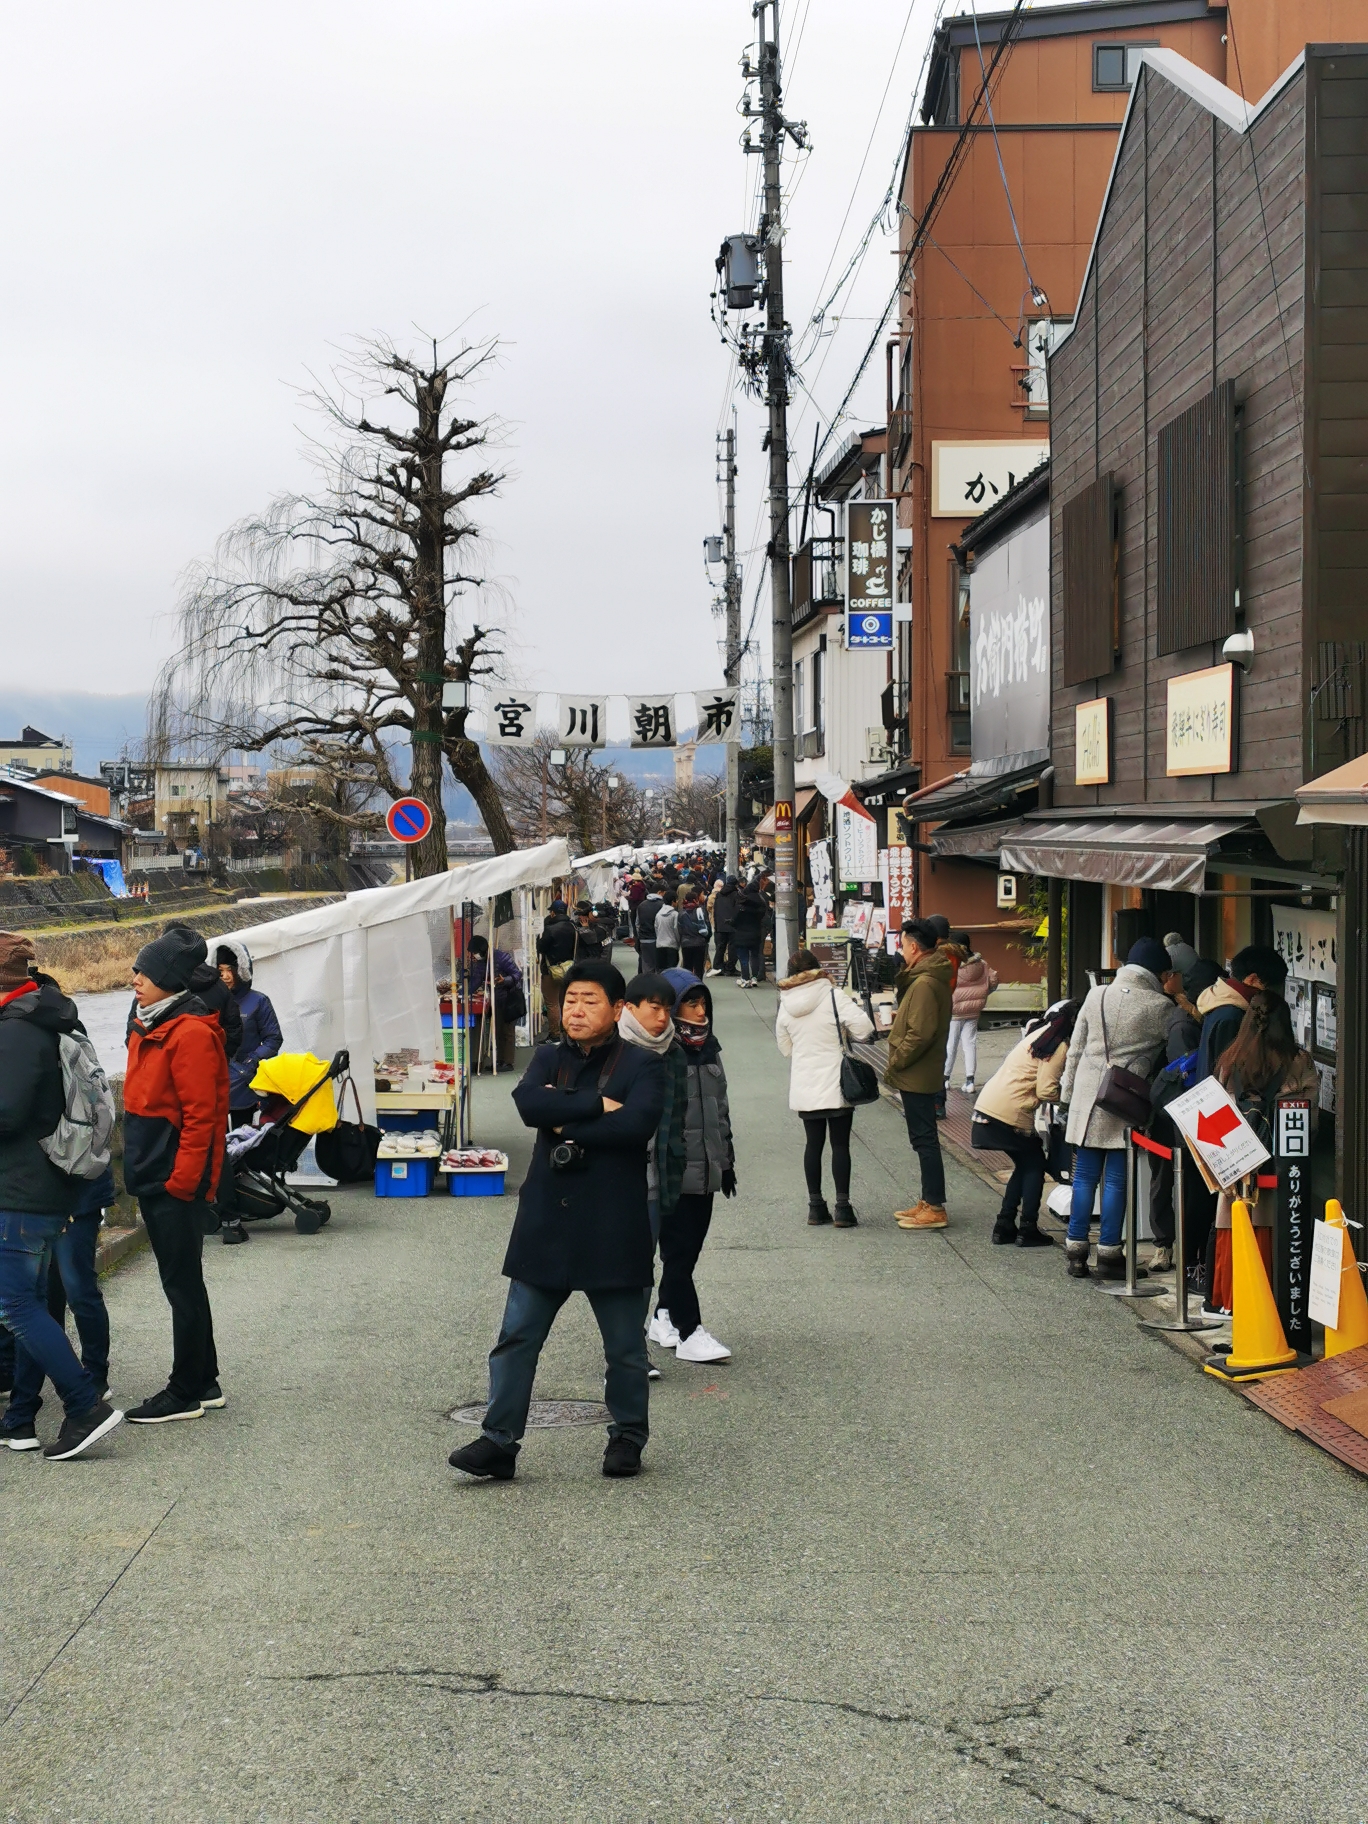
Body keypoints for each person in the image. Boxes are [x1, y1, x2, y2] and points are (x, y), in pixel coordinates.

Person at [449, 960, 667, 1482]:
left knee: (625, 1349)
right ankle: (498, 1441)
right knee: (516, 1338)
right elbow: (527, 1105)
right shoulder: (547, 1057)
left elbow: (636, 1126)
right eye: (569, 1000)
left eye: (590, 1001)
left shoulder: (644, 1066)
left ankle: (627, 1436)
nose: (575, 1010)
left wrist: (564, 1119)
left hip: (614, 1226)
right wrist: (595, 1106)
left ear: (617, 1010)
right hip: (546, 1223)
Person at [0, 932, 124, 1461]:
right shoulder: (43, 1021)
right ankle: (23, 1418)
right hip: (43, 1188)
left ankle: (83, 1402)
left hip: (20, 1190)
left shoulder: (16, 1032)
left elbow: (6, 1112)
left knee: (15, 1304)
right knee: (33, 1303)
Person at [121, 927, 231, 1423]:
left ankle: (184, 1390)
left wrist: (182, 1185)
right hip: (154, 1172)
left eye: (145, 972)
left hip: (171, 1181)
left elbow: (203, 1117)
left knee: (181, 1284)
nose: (135, 978)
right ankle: (204, 1382)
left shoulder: (188, 1032)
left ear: (169, 978)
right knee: (184, 1282)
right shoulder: (151, 1022)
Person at [1059, 937, 1173, 1281]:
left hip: (1087, 1096)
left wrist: (1066, 1094)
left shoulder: (1097, 995)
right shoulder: (1160, 1007)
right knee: (1116, 1181)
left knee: (1084, 1178)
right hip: (1124, 1098)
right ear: (1157, 972)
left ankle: (1076, 1252)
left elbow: (1075, 1049)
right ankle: (1110, 1254)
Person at [1206, 992, 1318, 1316]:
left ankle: (1236, 1305)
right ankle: (1272, 1307)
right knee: (1273, 1232)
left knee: (1236, 1225)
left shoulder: (1230, 1059)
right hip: (1279, 1169)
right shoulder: (1299, 1061)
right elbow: (1308, 1121)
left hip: (1239, 1169)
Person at [648, 971, 736, 1363]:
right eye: (692, 1004)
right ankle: (689, 1331)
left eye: (704, 1005)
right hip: (667, 1173)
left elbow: (721, 1111)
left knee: (686, 1254)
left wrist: (727, 1162)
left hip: (707, 1172)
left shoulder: (710, 1049)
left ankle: (662, 1314)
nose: (701, 1012)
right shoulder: (657, 1052)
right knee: (677, 1254)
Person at [775, 948, 874, 1227]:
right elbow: (865, 1028)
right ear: (817, 969)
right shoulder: (832, 994)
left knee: (813, 1145)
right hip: (836, 1083)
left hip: (806, 1085)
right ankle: (843, 1208)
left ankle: (816, 1207)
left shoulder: (786, 1003)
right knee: (840, 1145)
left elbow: (785, 1048)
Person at [971, 999, 1078, 1247]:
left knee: (1026, 1162)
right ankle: (1027, 1227)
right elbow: (1047, 1090)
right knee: (1034, 1165)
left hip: (989, 1106)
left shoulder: (1039, 1034)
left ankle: (1005, 1224)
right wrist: (1071, 1099)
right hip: (1009, 1113)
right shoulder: (1058, 1045)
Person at [1147, 950, 1221, 1272]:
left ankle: (1183, 1253)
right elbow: (1184, 1077)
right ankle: (1173, 1251)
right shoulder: (1183, 1024)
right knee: (1174, 1182)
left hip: (1186, 1116)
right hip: (1180, 1117)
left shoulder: (1193, 1018)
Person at [883, 919, 955, 1230]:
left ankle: (935, 1206)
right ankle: (928, 1200)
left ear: (914, 947)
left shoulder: (925, 982)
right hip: (922, 1070)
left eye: (902, 945)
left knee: (924, 1139)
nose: (901, 951)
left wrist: (897, 1059)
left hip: (918, 1071)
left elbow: (921, 1033)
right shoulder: (929, 977)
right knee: (922, 1138)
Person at [617, 973, 688, 1248]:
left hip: (657, 1177)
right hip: (613, 1179)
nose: (662, 1018)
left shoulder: (674, 1053)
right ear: (629, 1008)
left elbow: (678, 1115)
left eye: (668, 1010)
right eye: (655, 1008)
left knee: (643, 1263)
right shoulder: (610, 1047)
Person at [1196, 944, 1288, 1083]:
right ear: (1252, 979)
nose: (1268, 996)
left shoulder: (1218, 1001)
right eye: (1269, 988)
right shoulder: (1233, 1015)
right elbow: (1227, 1073)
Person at [215, 940, 283, 1124]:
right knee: (216, 1141)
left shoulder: (259, 1001)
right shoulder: (210, 1001)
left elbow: (273, 1039)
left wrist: (252, 1061)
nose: (226, 976)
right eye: (221, 971)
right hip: (215, 1080)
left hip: (245, 1080)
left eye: (230, 970)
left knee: (242, 1137)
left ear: (241, 970)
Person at [944, 933, 997, 1095]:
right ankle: (970, 1081)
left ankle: (945, 1079)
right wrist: (984, 993)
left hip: (954, 1011)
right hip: (974, 1010)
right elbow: (993, 980)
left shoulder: (952, 964)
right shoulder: (981, 963)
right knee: (970, 1044)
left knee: (950, 1044)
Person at [468, 935, 525, 1074]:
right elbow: (476, 980)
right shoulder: (481, 963)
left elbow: (517, 974)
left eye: (474, 952)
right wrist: (462, 992)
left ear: (481, 950)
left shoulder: (501, 957)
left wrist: (504, 980)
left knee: (508, 1031)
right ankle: (500, 1060)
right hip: (496, 999)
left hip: (510, 998)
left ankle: (508, 1062)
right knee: (498, 1030)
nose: (473, 956)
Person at [537, 898, 578, 1041]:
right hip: (569, 968)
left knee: (552, 1003)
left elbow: (541, 948)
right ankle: (567, 1030)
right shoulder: (573, 927)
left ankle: (554, 1034)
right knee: (565, 1001)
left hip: (551, 970)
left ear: (553, 913)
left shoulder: (550, 929)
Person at [732, 876, 767, 988]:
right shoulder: (761, 904)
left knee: (744, 957)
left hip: (741, 934)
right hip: (756, 933)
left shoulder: (743, 904)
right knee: (755, 956)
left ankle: (745, 979)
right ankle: (754, 977)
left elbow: (735, 920)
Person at [708, 874, 737, 975]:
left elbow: (715, 910)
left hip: (720, 924)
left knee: (720, 947)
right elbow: (737, 910)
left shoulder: (719, 895)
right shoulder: (736, 894)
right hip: (733, 925)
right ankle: (730, 968)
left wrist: (716, 924)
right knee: (733, 947)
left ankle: (718, 966)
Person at [678, 889, 710, 981]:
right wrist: (706, 938)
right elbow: (707, 926)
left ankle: (687, 986)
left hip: (686, 943)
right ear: (696, 900)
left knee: (687, 967)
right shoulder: (701, 911)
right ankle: (698, 985)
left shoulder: (681, 913)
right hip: (700, 942)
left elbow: (679, 929)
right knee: (699, 968)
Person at [636, 882, 664, 974]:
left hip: (644, 939)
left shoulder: (641, 905)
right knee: (659, 966)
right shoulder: (662, 905)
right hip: (657, 939)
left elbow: (637, 924)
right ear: (660, 892)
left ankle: (647, 985)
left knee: (647, 965)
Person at [654, 887, 681, 973]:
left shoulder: (658, 914)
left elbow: (656, 928)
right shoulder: (675, 914)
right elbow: (676, 929)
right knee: (672, 971)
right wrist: (678, 942)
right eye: (677, 900)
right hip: (672, 945)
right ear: (673, 902)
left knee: (661, 970)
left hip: (659, 945)